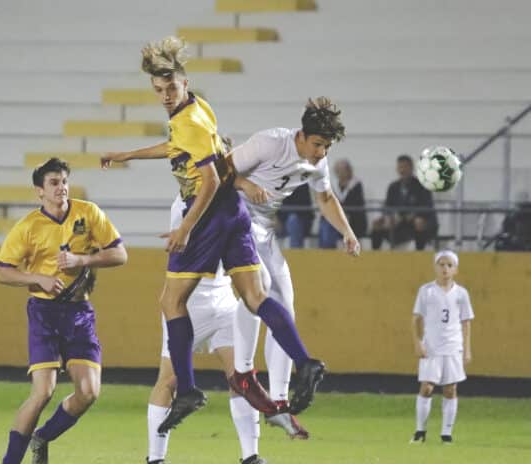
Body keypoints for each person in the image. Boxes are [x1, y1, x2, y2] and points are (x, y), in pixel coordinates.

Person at [101, 37, 353, 433]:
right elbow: (177, 148)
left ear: (184, 82)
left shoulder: (190, 121)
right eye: (158, 90)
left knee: (170, 300)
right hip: (237, 215)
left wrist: (186, 227)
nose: (165, 96)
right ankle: (305, 361)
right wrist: (127, 155)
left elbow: (212, 177)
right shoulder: (198, 108)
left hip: (210, 214)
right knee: (257, 296)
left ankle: (187, 389)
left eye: (170, 88)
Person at [227, 98, 359, 431]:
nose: (321, 153)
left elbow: (326, 199)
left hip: (264, 231)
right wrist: (246, 184)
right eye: (317, 144)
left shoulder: (319, 162)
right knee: (260, 292)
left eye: (327, 146)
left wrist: (348, 232)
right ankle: (243, 373)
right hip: (234, 222)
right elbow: (219, 170)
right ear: (301, 135)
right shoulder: (270, 142)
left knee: (285, 303)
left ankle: (280, 400)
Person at [0, 158, 127, 464]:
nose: (61, 188)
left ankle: (43, 437)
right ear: (39, 191)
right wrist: (36, 278)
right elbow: (2, 271)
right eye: (54, 183)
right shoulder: (28, 226)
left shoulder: (88, 213)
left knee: (89, 391)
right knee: (43, 392)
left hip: (79, 313)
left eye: (64, 181)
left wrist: (82, 261)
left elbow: (120, 254)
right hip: (44, 312)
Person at [147, 195, 291, 464]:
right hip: (186, 305)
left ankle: (251, 456)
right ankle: (155, 458)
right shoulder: (185, 203)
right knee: (169, 380)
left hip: (224, 301)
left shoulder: (233, 197)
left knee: (240, 377)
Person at [410, 250, 474, 444]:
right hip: (432, 346)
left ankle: (446, 434)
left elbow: (466, 322)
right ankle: (420, 431)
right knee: (427, 387)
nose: (445, 268)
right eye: (441, 264)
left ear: (455, 269)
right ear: (435, 267)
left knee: (450, 389)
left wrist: (467, 349)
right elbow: (416, 318)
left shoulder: (461, 294)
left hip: (453, 347)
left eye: (449, 265)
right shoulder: (426, 290)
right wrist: (417, 342)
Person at [371, 155, 438, 250]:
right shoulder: (393, 187)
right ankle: (375, 255)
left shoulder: (421, 186)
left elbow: (426, 208)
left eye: (405, 167)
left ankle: (419, 255)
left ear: (411, 168)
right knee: (376, 224)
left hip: (414, 222)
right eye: (400, 167)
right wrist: (388, 217)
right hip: (398, 222)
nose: (402, 170)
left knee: (419, 222)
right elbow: (387, 207)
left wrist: (413, 216)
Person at [317, 159, 367, 248]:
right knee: (325, 221)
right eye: (338, 171)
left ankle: (328, 248)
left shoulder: (356, 184)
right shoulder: (334, 185)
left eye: (342, 170)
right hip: (338, 218)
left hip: (353, 219)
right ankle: (326, 249)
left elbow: (356, 203)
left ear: (348, 170)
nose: (339, 173)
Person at [276, 184, 314, 248]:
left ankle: (296, 254)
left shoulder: (302, 182)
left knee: (293, 221)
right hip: (281, 219)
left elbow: (302, 206)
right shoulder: (278, 180)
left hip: (301, 220)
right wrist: (275, 217)